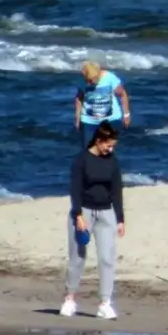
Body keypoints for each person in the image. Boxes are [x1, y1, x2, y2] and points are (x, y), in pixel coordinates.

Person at [61, 122, 126, 320]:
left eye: (113, 145)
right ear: (98, 141)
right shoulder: (82, 160)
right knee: (78, 257)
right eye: (108, 145)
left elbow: (116, 190)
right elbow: (75, 189)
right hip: (84, 213)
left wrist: (120, 219)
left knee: (107, 259)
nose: (111, 149)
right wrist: (78, 214)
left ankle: (105, 303)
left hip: (106, 213)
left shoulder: (112, 162)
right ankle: (69, 299)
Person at [74, 61, 130, 149]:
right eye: (88, 81)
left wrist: (126, 115)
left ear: (98, 73)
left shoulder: (109, 78)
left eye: (92, 80)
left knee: (108, 149)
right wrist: (77, 118)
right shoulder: (83, 80)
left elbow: (122, 94)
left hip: (111, 120)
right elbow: (79, 98)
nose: (90, 83)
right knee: (88, 150)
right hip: (89, 121)